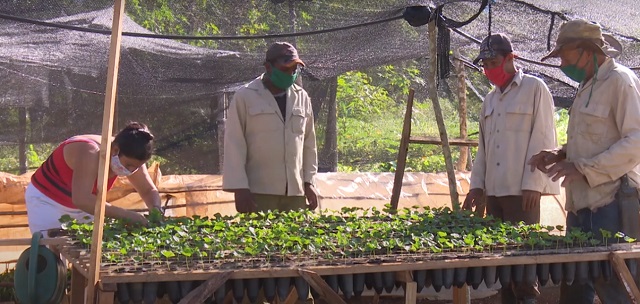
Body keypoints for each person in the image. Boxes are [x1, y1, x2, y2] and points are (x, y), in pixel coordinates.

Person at [528, 19, 640, 304]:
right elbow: (594, 140)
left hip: (611, 203)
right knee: (576, 285)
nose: (563, 62)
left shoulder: (620, 81)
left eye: (565, 54)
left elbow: (635, 141)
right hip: (580, 205)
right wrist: (561, 154)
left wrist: (582, 168)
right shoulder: (587, 85)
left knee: (613, 284)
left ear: (587, 50)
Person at [462, 33, 560, 304]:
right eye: (484, 65)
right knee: (503, 266)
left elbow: (543, 138)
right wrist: (477, 186)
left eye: (493, 62)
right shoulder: (490, 101)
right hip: (494, 193)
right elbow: (483, 147)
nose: (488, 69)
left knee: (524, 264)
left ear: (511, 59)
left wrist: (534, 184)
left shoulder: (534, 88)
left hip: (521, 192)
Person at [223, 42, 318, 214]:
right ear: (268, 67)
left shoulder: (302, 97)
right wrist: (239, 188)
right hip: (259, 193)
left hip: (295, 193)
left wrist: (309, 182)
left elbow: (309, 144)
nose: (291, 74)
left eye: (295, 69)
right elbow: (234, 144)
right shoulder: (245, 96)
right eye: (285, 69)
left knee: (296, 240)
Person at [25, 122, 162, 235]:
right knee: (50, 254)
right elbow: (82, 199)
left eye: (136, 167)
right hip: (47, 202)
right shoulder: (89, 151)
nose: (131, 170)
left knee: (87, 251)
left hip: (86, 206)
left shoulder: (132, 157)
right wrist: (128, 215)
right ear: (115, 150)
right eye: (128, 165)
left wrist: (155, 209)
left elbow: (148, 190)